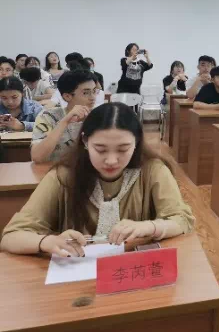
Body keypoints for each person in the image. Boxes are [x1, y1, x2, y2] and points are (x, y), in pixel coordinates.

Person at [1, 103, 194, 256]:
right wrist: (47, 242)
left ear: (136, 142)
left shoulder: (152, 170)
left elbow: (182, 219)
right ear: (85, 141)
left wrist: (150, 227)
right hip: (76, 275)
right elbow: (11, 236)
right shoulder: (64, 176)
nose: (111, 160)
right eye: (100, 149)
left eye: (123, 149)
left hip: (133, 274)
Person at [31, 70, 97, 163]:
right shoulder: (48, 116)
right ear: (67, 96)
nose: (93, 97)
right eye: (86, 93)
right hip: (53, 169)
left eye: (94, 91)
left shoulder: (99, 116)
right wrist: (65, 121)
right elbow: (37, 157)